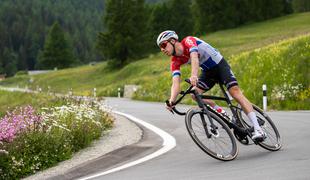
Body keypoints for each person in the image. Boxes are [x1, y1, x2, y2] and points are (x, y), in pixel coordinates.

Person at [157, 30, 266, 140]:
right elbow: (175, 83)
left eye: (163, 45)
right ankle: (222, 113)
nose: (162, 49)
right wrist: (171, 100)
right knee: (195, 94)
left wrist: (194, 75)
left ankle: (258, 130)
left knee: (234, 92)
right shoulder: (175, 61)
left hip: (220, 65)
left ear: (172, 41)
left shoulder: (188, 41)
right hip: (208, 72)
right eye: (160, 47)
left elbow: (194, 57)